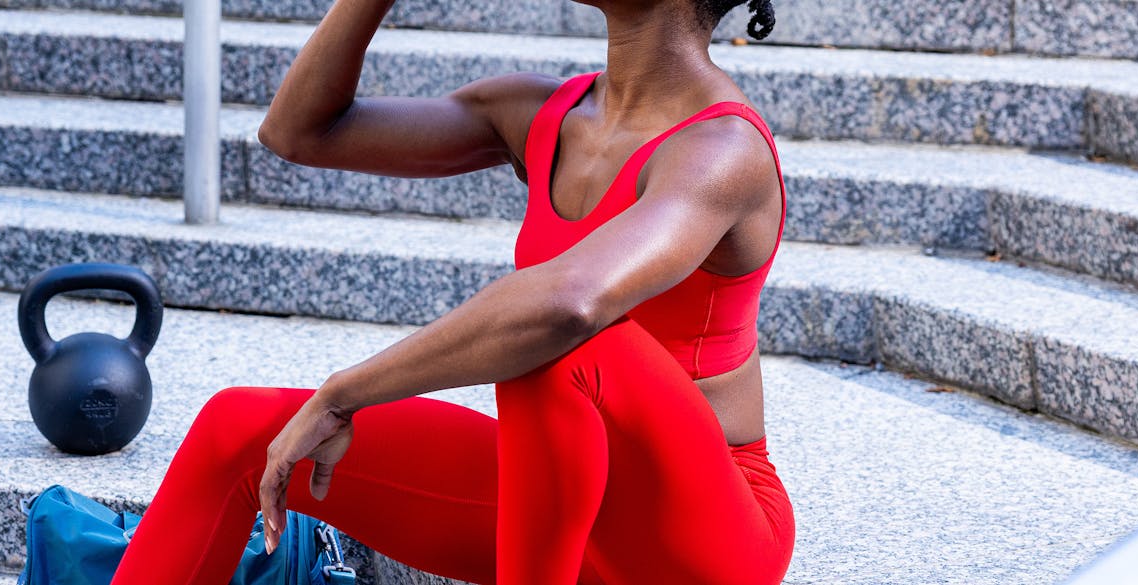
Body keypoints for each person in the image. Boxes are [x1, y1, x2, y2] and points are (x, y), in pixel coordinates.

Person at [111, 0, 791, 582]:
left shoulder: (723, 148)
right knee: (239, 430)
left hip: (706, 533)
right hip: (561, 496)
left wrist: (346, 391)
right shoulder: (545, 113)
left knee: (556, 340)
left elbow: (571, 302)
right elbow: (298, 132)